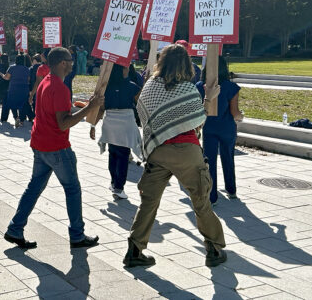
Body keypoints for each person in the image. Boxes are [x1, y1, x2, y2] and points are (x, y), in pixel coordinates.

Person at [124, 44, 226, 268]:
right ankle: (213, 249)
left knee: (148, 202)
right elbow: (198, 119)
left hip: (158, 150)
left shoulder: (149, 86)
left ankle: (134, 250)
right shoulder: (186, 88)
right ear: (185, 64)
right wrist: (209, 99)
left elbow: (142, 113)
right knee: (200, 201)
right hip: (186, 151)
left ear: (161, 61)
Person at [5, 47, 103, 249]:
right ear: (62, 63)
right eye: (70, 60)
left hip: (40, 144)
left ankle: (15, 229)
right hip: (56, 147)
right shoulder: (59, 87)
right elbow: (63, 123)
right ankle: (77, 235)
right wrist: (89, 108)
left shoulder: (46, 82)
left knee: (34, 188)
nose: (73, 63)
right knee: (72, 189)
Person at [88, 64, 142, 200]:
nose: (128, 70)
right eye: (125, 68)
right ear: (121, 70)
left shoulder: (106, 88)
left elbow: (101, 109)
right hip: (126, 124)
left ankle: (114, 183)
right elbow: (142, 104)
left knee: (113, 154)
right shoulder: (132, 86)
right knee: (123, 156)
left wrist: (93, 126)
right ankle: (119, 187)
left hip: (110, 124)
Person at [197, 56, 243, 205]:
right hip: (227, 128)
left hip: (209, 127)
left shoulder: (200, 86)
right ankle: (231, 189)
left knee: (209, 161)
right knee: (228, 158)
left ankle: (212, 196)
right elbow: (235, 113)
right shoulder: (231, 87)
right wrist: (241, 116)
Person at [3, 54, 30, 127]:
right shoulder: (27, 69)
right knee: (23, 104)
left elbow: (7, 78)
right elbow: (28, 79)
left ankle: (16, 117)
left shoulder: (11, 68)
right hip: (24, 89)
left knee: (12, 103)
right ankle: (22, 120)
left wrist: (3, 76)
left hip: (13, 88)